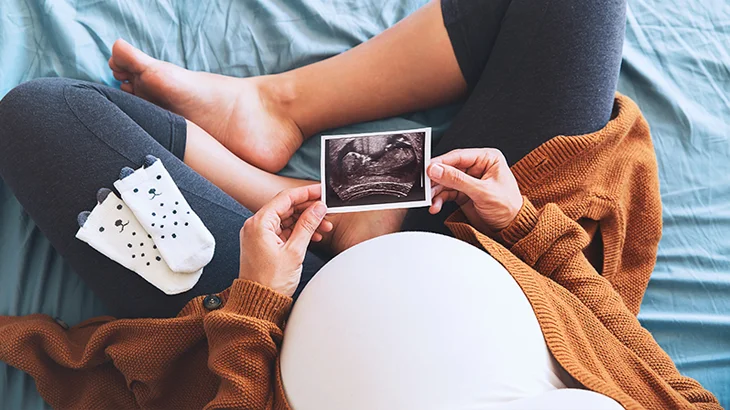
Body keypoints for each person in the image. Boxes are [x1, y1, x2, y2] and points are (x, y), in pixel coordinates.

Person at [0, 0, 721, 408]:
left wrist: (254, 309)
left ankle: (328, 211)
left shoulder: (261, 317)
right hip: (492, 253)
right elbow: (645, 371)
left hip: (276, 322)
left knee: (43, 118)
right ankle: (283, 111)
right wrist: (528, 228)